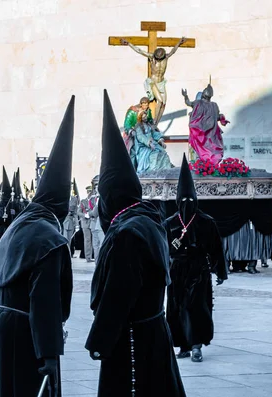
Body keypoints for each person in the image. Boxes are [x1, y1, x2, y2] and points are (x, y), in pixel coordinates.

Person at [85, 90, 185, 396]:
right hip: (152, 332)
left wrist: (99, 340)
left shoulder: (127, 233)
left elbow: (118, 294)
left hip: (132, 341)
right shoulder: (147, 219)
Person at [0, 96, 75, 397]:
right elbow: (45, 302)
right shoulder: (49, 239)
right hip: (24, 335)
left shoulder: (18, 226)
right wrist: (49, 355)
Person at [164, 155, 228, 362]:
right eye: (183, 201)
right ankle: (183, 344)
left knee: (197, 307)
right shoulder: (170, 223)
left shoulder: (206, 222)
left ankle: (197, 345)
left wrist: (220, 271)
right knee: (177, 308)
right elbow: (163, 250)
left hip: (198, 270)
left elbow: (216, 248)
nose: (186, 204)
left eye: (190, 201)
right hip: (176, 271)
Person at [121, 37, 187, 124]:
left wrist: (179, 43)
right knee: (160, 100)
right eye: (158, 58)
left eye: (160, 58)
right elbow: (139, 50)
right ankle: (154, 121)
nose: (158, 59)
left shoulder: (166, 57)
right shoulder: (152, 57)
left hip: (161, 83)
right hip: (153, 82)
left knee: (164, 104)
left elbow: (173, 51)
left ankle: (156, 124)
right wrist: (129, 43)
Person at [182, 83, 229, 164]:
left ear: (203, 94)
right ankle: (207, 164)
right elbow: (217, 117)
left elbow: (188, 102)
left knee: (204, 149)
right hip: (211, 133)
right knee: (212, 149)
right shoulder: (214, 105)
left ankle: (205, 164)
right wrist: (222, 119)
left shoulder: (198, 103)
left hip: (201, 131)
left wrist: (185, 95)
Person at [123, 97, 153, 168]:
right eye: (144, 104)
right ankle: (132, 169)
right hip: (132, 135)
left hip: (144, 133)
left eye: (147, 104)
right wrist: (131, 131)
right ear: (140, 104)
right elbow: (127, 124)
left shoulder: (148, 111)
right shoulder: (133, 112)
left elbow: (150, 120)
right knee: (132, 152)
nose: (146, 106)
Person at [79, 186, 94, 262]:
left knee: (94, 240)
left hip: (93, 221)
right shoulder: (83, 201)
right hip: (85, 222)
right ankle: (88, 257)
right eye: (88, 191)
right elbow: (78, 212)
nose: (89, 193)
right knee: (87, 240)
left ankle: (94, 255)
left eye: (90, 191)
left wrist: (90, 214)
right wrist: (85, 215)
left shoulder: (94, 200)